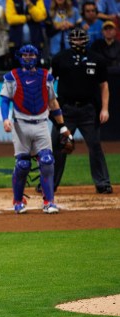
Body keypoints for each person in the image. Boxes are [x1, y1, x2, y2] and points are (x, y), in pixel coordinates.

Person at [0, 44, 68, 214]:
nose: (28, 58)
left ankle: (49, 201)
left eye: (31, 55)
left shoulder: (46, 76)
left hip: (41, 123)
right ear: (19, 56)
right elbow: (5, 100)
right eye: (25, 55)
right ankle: (18, 200)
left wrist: (62, 126)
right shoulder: (12, 76)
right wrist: (5, 119)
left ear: (37, 56)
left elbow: (53, 103)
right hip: (20, 124)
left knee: (46, 161)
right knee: (23, 164)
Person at [50, 27, 112, 194]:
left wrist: (105, 108)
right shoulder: (59, 59)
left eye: (80, 38)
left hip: (88, 110)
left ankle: (103, 183)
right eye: (75, 39)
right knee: (58, 146)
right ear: (70, 40)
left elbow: (104, 86)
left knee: (95, 146)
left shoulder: (97, 59)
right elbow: (49, 83)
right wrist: (52, 106)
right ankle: (49, 184)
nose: (78, 41)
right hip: (65, 111)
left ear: (86, 39)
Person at [4, 0, 47, 67]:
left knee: (35, 68)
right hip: (17, 43)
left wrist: (30, 5)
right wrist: (27, 17)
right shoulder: (11, 0)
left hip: (35, 42)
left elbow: (40, 17)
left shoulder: (38, 0)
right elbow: (10, 19)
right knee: (17, 69)